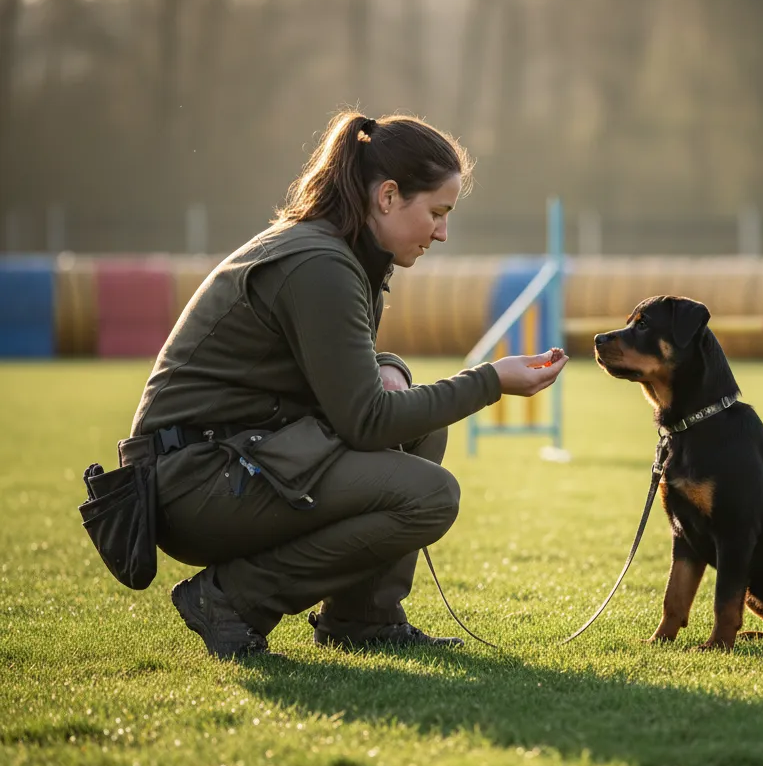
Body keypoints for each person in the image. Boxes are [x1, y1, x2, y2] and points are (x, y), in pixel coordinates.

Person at [130, 111, 568, 659]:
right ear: (387, 196)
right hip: (193, 484)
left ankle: (364, 619)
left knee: (423, 434)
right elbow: (366, 422)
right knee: (432, 497)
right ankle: (232, 599)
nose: (442, 232)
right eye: (436, 212)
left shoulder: (342, 255)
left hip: (234, 459)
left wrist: (392, 368)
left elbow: (337, 374)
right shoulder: (320, 263)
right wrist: (490, 381)